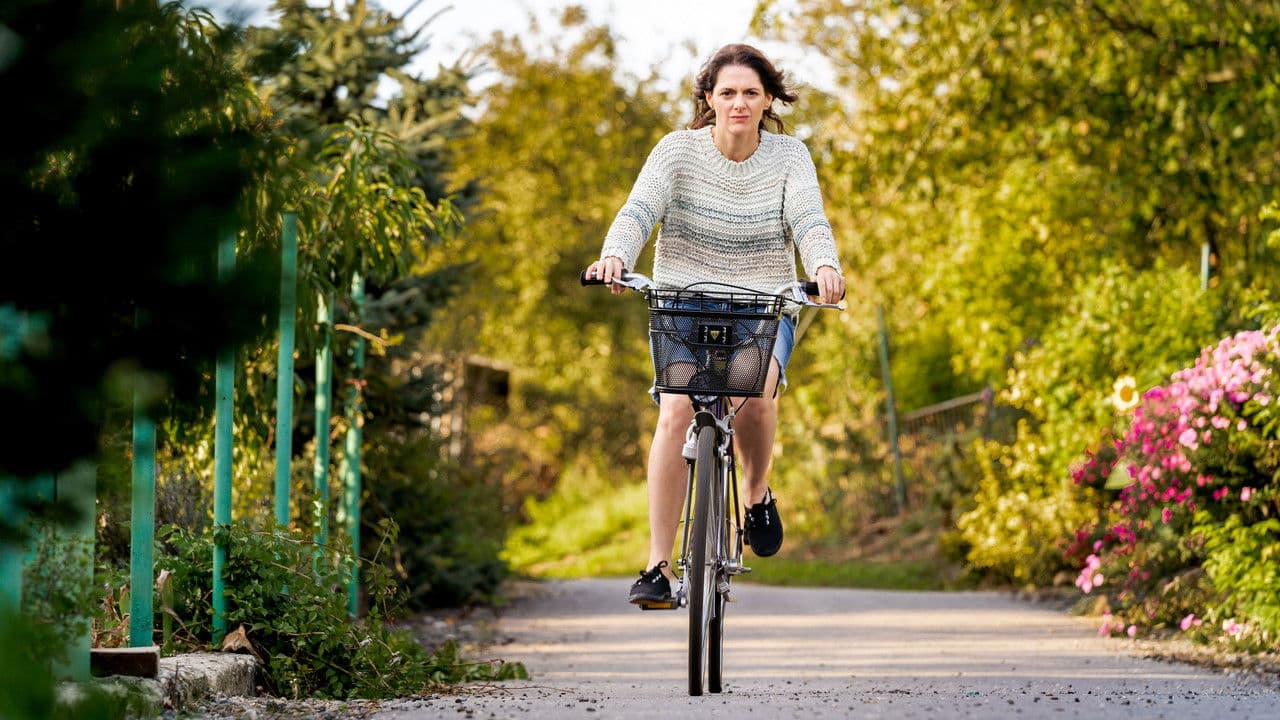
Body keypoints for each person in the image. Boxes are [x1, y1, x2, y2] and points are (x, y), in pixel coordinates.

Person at [583, 43, 846, 606]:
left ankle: (753, 494)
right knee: (676, 410)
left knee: (756, 397)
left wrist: (824, 264)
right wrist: (616, 255)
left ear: (769, 98)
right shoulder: (676, 151)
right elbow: (640, 208)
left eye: (751, 92)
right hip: (684, 302)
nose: (739, 103)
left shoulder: (790, 156)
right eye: (727, 92)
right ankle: (657, 567)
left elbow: (807, 216)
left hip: (762, 304)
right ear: (708, 99)